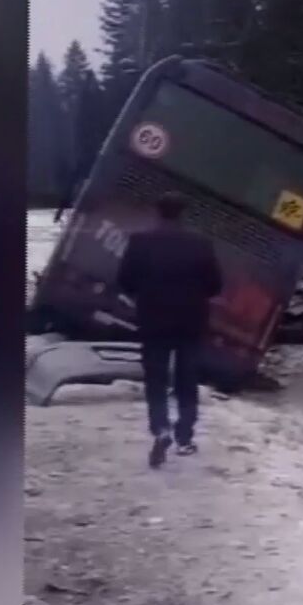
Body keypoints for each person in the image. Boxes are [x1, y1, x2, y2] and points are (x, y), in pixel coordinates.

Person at [117, 192, 224, 468]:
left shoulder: (140, 243)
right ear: (183, 213)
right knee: (187, 380)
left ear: (158, 212)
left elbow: (125, 281)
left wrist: (145, 294)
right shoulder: (200, 245)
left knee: (156, 378)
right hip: (190, 321)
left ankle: (160, 428)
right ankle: (184, 436)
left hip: (153, 320)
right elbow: (215, 285)